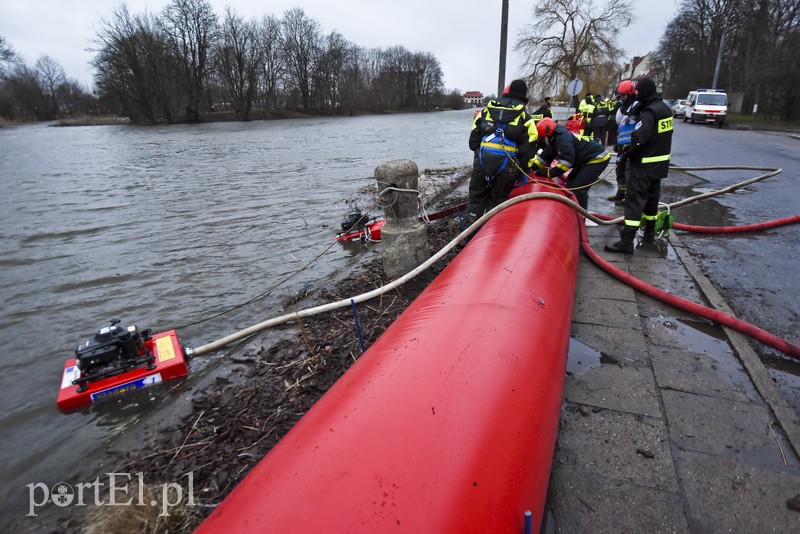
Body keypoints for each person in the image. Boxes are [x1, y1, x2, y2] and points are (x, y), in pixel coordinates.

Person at [605, 77, 674, 254]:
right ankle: (649, 235)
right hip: (659, 166)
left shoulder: (650, 112)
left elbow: (639, 139)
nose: (638, 96)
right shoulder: (665, 110)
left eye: (639, 92)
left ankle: (627, 240)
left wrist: (626, 153)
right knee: (651, 202)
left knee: (634, 201)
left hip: (643, 165)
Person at [466, 79, 538, 222]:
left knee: (476, 199)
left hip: (482, 160)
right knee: (497, 201)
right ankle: (490, 236)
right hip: (508, 165)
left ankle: (467, 237)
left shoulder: (486, 110)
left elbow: (473, 140)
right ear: (524, 97)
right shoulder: (525, 117)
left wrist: (481, 156)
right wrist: (524, 168)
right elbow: (529, 149)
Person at [529, 117, 610, 213]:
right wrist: (531, 168)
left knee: (578, 188)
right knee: (570, 183)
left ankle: (582, 216)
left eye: (542, 138)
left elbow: (565, 164)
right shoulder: (555, 140)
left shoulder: (563, 140)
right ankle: (572, 210)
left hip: (597, 159)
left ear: (547, 134)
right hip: (585, 160)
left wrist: (548, 173)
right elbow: (543, 159)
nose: (541, 141)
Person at [607, 79, 640, 203]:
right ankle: (620, 194)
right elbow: (620, 127)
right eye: (620, 95)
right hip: (622, 145)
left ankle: (629, 197)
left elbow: (640, 127)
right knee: (619, 170)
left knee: (629, 172)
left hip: (631, 147)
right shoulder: (621, 108)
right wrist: (617, 142)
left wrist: (633, 144)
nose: (621, 98)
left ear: (630, 94)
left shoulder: (637, 107)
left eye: (623, 95)